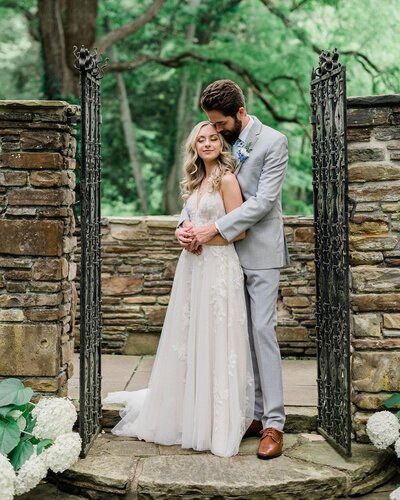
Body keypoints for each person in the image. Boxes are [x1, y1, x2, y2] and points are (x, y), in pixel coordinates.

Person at [104, 121, 254, 458]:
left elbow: (239, 231)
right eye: (200, 140)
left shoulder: (228, 180)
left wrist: (204, 237)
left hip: (218, 268)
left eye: (213, 138)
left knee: (216, 338)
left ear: (222, 143)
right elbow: (186, 220)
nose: (207, 143)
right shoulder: (195, 183)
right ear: (194, 147)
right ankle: (185, 411)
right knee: (189, 337)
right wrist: (183, 234)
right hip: (193, 268)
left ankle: (215, 421)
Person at [176, 79, 290, 460]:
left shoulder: (273, 142)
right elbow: (202, 188)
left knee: (261, 331)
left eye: (220, 125)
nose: (216, 132)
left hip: (258, 253)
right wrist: (186, 227)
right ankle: (253, 413)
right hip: (220, 261)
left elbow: (262, 202)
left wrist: (214, 229)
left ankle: (274, 422)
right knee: (235, 335)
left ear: (240, 113)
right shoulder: (225, 142)